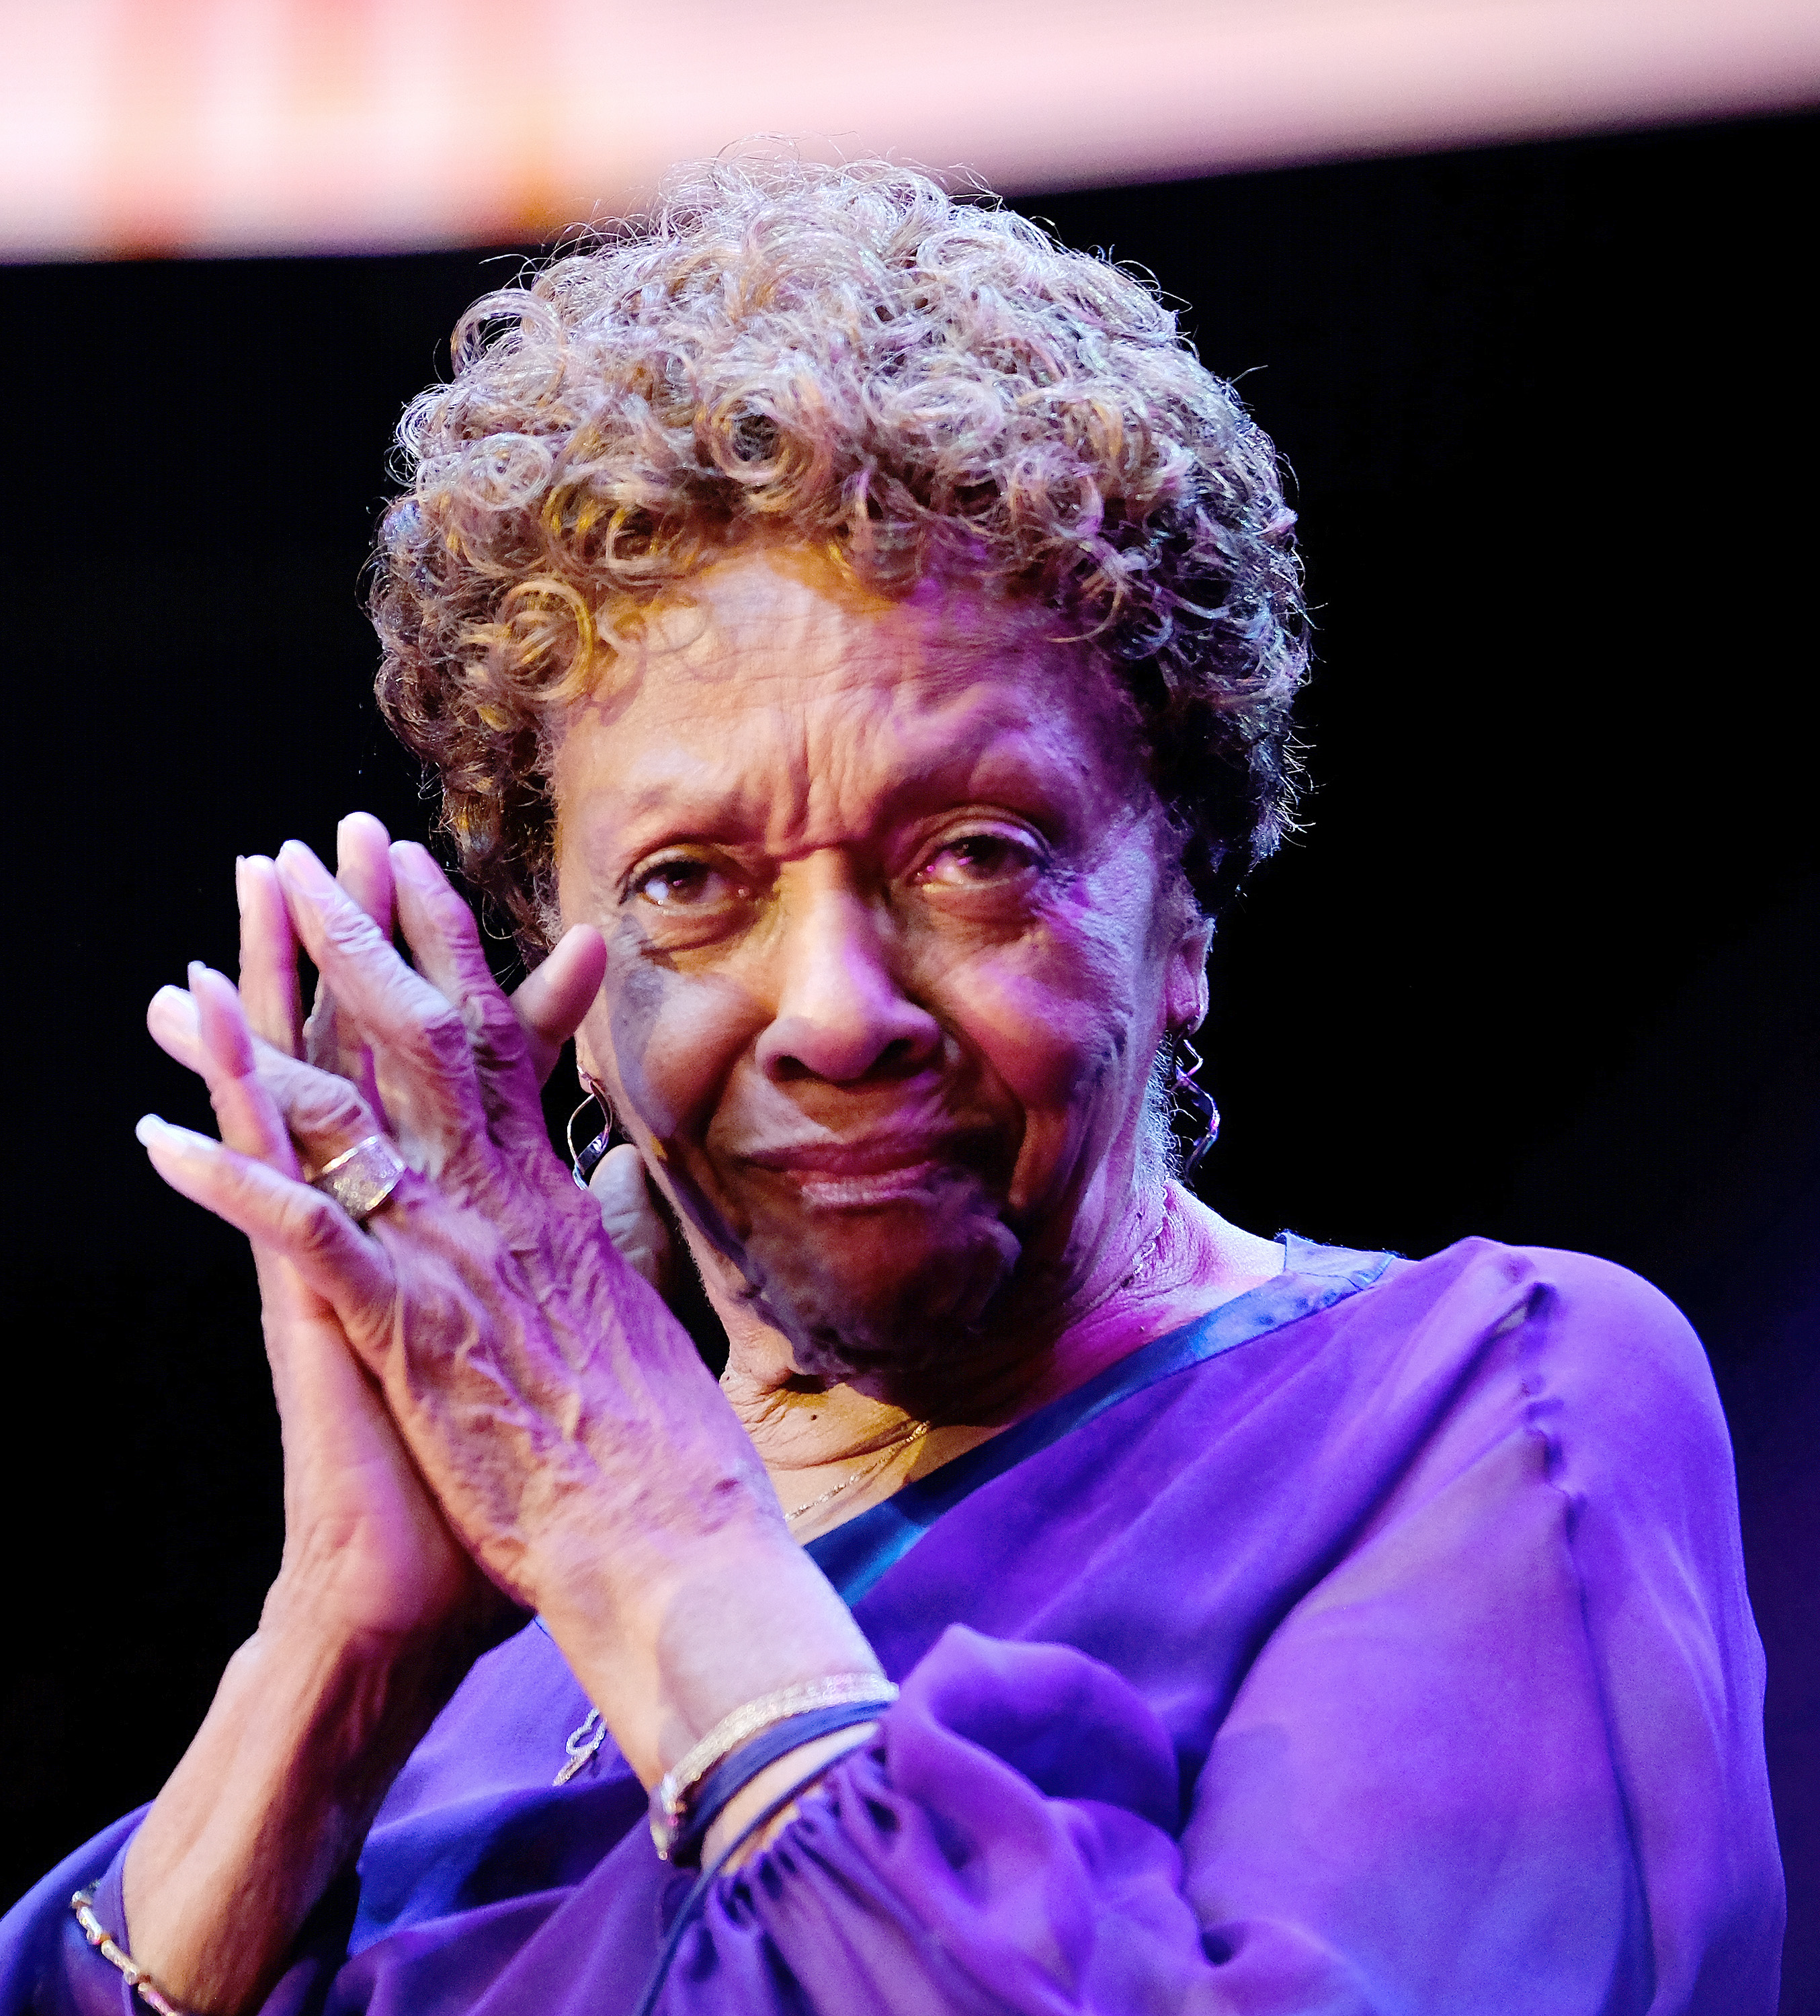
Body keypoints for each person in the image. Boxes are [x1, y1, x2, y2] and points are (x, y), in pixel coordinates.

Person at [0, 159, 1783, 2015]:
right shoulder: (481, 1670)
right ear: (568, 988)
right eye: (690, 883)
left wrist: (638, 1522)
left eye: (977, 854)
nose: (837, 1010)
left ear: (1180, 910)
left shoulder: (1470, 1406)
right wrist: (338, 1659)